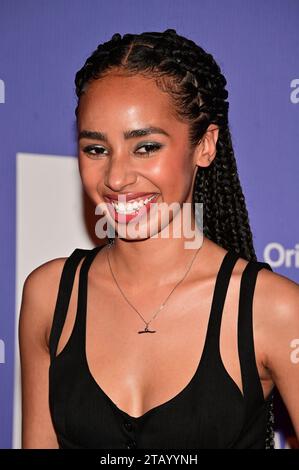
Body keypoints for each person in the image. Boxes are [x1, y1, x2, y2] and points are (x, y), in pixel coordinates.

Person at [19, 29, 299, 449]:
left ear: (205, 145)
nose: (115, 177)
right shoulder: (50, 295)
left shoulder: (273, 310)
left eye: (145, 147)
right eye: (96, 149)